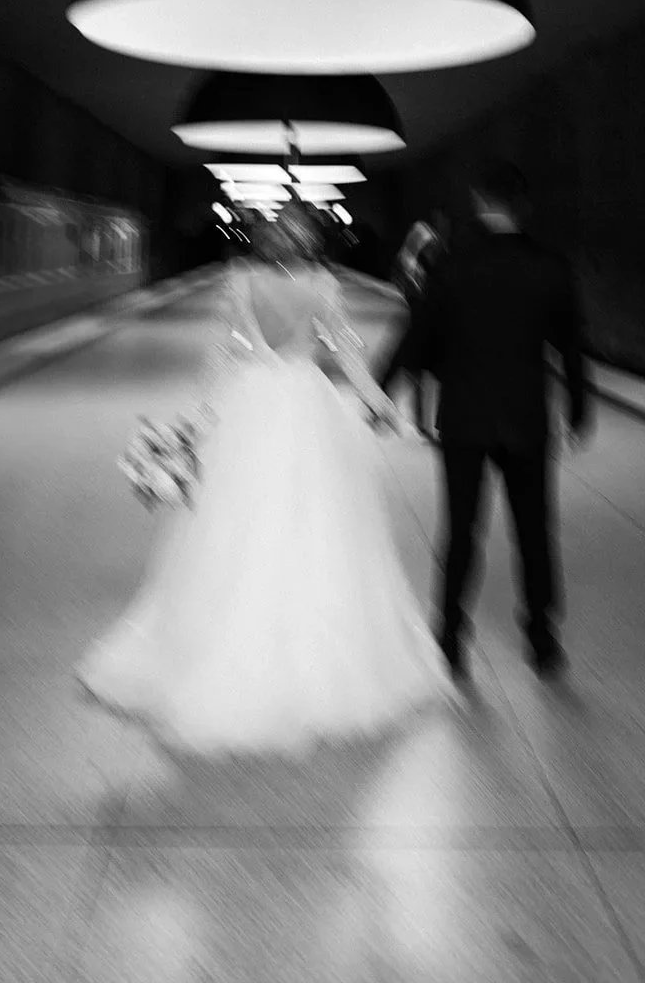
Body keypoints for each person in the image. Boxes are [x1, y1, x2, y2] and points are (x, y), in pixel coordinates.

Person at [76, 201, 454, 756]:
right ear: (308, 243)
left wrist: (201, 418)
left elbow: (224, 354)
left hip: (250, 404)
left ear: (263, 242)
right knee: (320, 522)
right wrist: (380, 404)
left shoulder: (241, 282)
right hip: (307, 405)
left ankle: (217, 644)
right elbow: (347, 354)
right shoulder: (323, 286)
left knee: (236, 522)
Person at [376, 161, 592, 681]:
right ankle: (542, 640)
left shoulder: (450, 266)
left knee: (461, 530)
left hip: (466, 418)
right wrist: (579, 410)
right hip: (526, 417)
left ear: (477, 202)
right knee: (535, 530)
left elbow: (417, 336)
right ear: (524, 205)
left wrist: (381, 391)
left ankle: (450, 639)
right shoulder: (551, 266)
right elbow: (573, 347)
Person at [391, 208, 450, 434]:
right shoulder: (431, 253)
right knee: (429, 374)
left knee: (414, 372)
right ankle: (428, 421)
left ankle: (423, 420)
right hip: (430, 324)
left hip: (420, 322)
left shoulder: (407, 260)